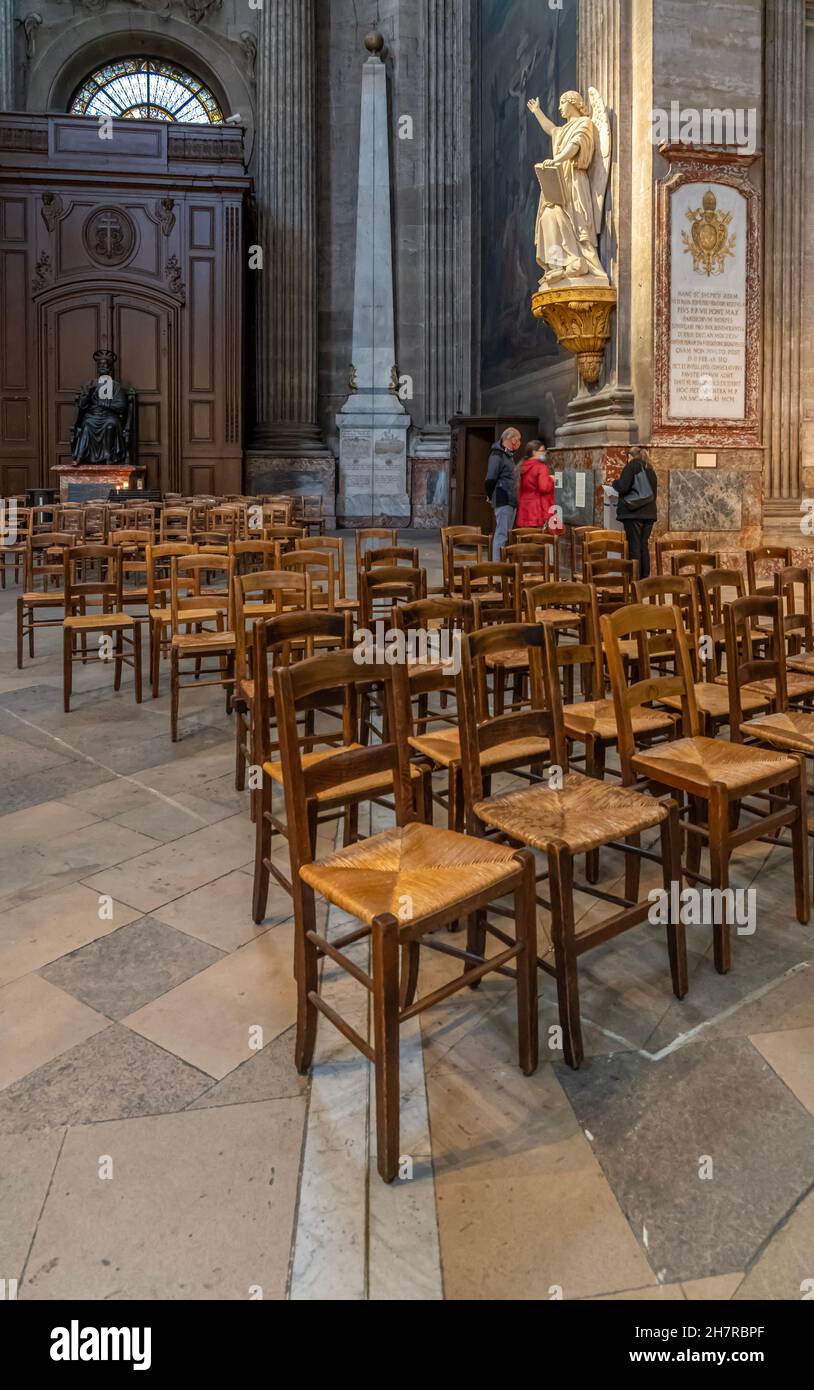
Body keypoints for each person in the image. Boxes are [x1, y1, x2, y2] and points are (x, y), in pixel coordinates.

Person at [612, 447, 658, 579]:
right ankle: (644, 579)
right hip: (649, 513)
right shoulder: (650, 469)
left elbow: (623, 487)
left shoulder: (631, 466)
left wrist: (614, 483)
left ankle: (634, 580)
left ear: (630, 457)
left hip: (634, 513)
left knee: (634, 547)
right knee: (643, 545)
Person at [485, 427, 520, 560]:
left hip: (510, 500)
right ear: (512, 439)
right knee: (501, 535)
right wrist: (489, 495)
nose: (519, 443)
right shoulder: (497, 455)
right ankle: (497, 569)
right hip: (503, 498)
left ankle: (503, 565)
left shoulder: (508, 455)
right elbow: (490, 479)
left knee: (506, 535)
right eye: (518, 439)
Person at [516, 440, 556, 529]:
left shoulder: (522, 466)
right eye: (542, 451)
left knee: (526, 537)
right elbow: (544, 488)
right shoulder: (541, 467)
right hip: (537, 509)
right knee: (539, 538)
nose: (544, 453)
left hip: (524, 508)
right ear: (534, 452)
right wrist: (551, 479)